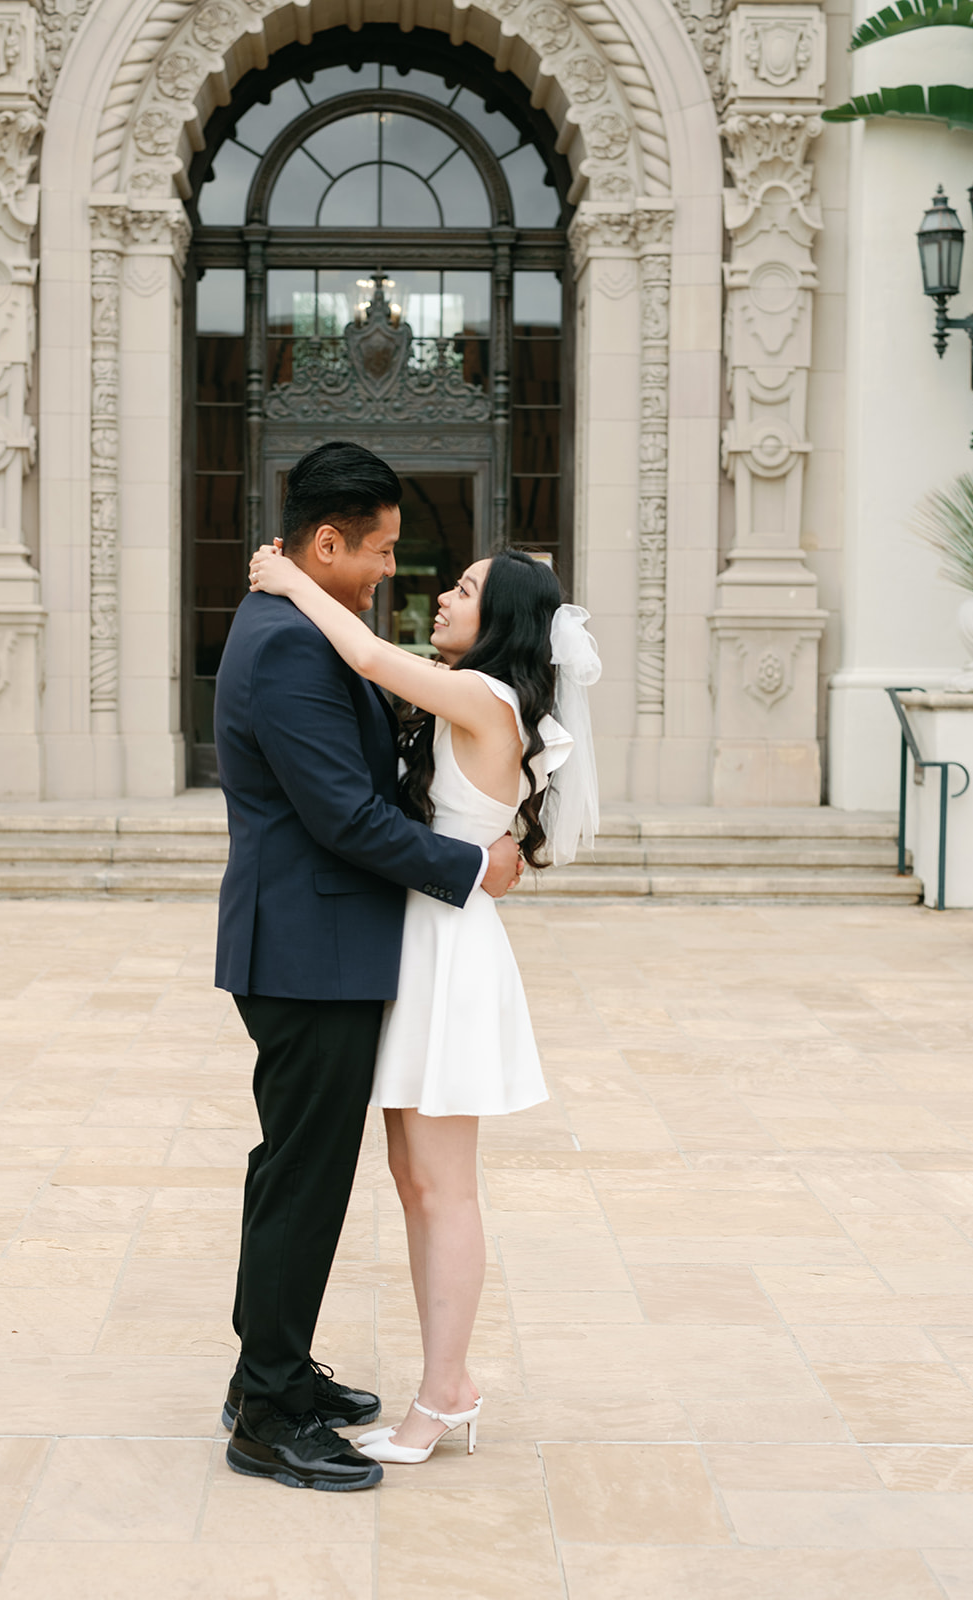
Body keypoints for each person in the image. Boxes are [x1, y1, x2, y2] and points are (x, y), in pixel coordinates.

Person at [248, 537, 601, 1466]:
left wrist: (290, 582)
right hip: (423, 937)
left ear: (507, 624)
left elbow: (367, 656)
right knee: (416, 1183)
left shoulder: (485, 697)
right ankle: (446, 1382)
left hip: (448, 949)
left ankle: (446, 1392)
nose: (441, 596)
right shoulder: (467, 695)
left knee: (443, 1188)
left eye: (467, 589)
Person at [213, 440, 524, 1494]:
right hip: (309, 951)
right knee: (305, 1177)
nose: (393, 568)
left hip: (321, 945)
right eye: (380, 550)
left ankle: (279, 1368)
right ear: (327, 541)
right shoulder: (291, 645)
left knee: (292, 1168)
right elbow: (344, 816)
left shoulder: (305, 624)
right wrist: (472, 868)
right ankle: (267, 1412)